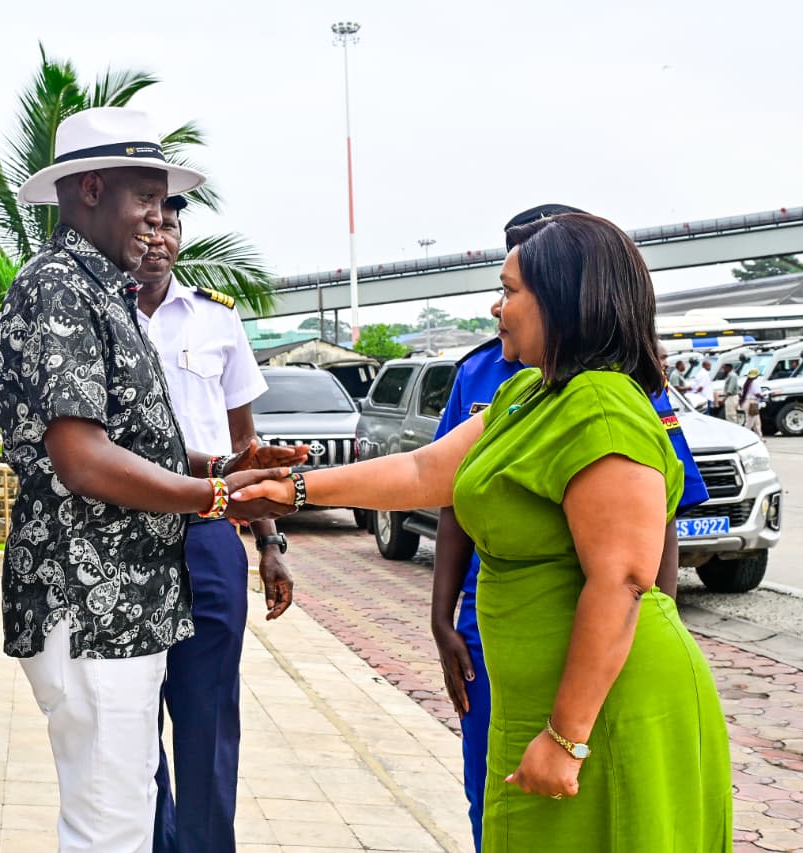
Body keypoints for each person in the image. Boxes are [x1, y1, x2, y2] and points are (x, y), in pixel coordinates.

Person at [236, 212, 732, 851]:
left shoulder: (603, 408)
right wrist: (295, 488)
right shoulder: (528, 394)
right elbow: (424, 471)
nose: (497, 307)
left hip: (605, 712)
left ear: (564, 302)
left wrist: (566, 737)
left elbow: (625, 580)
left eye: (512, 291)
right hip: (537, 702)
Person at [0, 107, 303, 853]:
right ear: (92, 188)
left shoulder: (106, 289)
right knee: (112, 827)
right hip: (92, 598)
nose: (159, 220)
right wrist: (214, 495)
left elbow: (131, 442)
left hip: (127, 601)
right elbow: (82, 458)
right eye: (147, 198)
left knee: (125, 809)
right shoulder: (60, 287)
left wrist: (222, 467)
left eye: (165, 205)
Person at [428, 204, 711, 851]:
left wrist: (639, 621)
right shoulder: (494, 379)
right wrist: (442, 616)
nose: (500, 306)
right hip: (493, 628)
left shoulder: (614, 394)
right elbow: (436, 483)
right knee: (497, 791)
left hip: (589, 634)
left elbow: (637, 550)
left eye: (513, 287)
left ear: (563, 288)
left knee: (594, 803)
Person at [132, 195, 293, 853]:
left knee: (207, 718)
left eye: (170, 224)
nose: (159, 235)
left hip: (208, 533)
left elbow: (243, 444)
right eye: (147, 223)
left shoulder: (217, 319)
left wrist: (270, 544)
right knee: (131, 718)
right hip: (126, 537)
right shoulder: (96, 316)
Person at [741, 368, 766, 436]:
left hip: (747, 403)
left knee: (757, 422)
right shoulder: (754, 383)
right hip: (752, 404)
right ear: (756, 376)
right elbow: (757, 394)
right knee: (750, 423)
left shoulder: (746, 383)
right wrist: (763, 396)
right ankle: (744, 437)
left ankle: (760, 437)